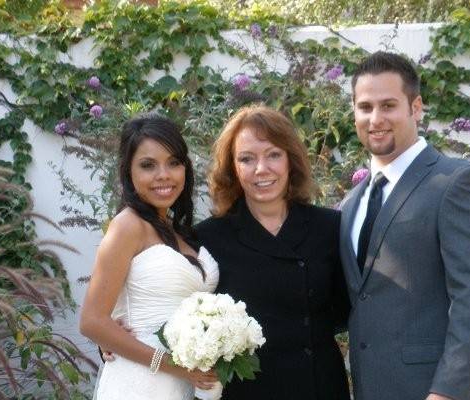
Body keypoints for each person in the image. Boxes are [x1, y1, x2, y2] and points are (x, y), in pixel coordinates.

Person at [340, 51, 470, 400]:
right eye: (365, 107)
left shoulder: (457, 182)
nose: (375, 118)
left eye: (388, 105)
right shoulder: (350, 204)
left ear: (416, 108)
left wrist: (447, 392)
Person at [195, 104, 350, 400]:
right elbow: (177, 309)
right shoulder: (209, 237)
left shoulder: (328, 227)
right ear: (233, 168)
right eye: (247, 159)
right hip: (246, 392)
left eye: (273, 155)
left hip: (318, 387)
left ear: (291, 161)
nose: (261, 169)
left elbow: (350, 308)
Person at [79, 115, 220, 400]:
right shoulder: (128, 225)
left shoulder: (178, 231)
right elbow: (92, 321)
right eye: (148, 165)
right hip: (142, 383)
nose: (163, 175)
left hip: (182, 383)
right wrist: (174, 367)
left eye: (173, 163)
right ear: (128, 172)